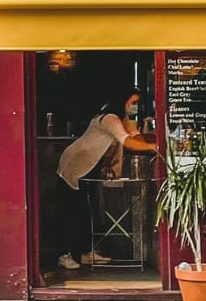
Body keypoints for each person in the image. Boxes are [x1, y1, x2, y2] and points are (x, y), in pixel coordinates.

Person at [56, 89, 157, 272]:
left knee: (88, 209)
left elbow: (134, 135)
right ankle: (65, 254)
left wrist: (151, 138)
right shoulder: (109, 118)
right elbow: (126, 141)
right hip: (74, 164)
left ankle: (85, 252)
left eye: (136, 103)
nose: (134, 107)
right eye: (131, 102)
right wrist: (153, 147)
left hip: (89, 165)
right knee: (73, 209)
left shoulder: (122, 120)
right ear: (122, 101)